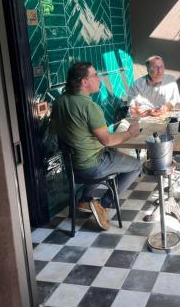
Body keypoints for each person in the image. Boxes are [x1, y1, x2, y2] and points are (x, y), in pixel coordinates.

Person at [50, 62, 142, 230]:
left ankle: (85, 201)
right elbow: (107, 140)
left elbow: (54, 130)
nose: (99, 79)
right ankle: (103, 204)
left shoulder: (59, 102)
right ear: (85, 81)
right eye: (95, 75)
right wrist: (130, 133)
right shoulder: (90, 107)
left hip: (72, 166)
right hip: (92, 166)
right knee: (136, 165)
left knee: (107, 152)